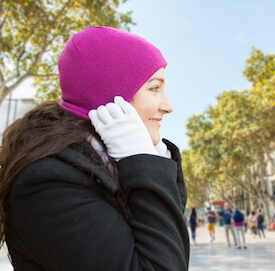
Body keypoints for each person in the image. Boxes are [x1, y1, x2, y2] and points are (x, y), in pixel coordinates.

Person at [0, 27, 190, 270]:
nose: (168, 105)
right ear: (111, 96)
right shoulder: (47, 184)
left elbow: (168, 239)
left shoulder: (110, 162)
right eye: (154, 88)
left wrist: (151, 156)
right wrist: (141, 160)